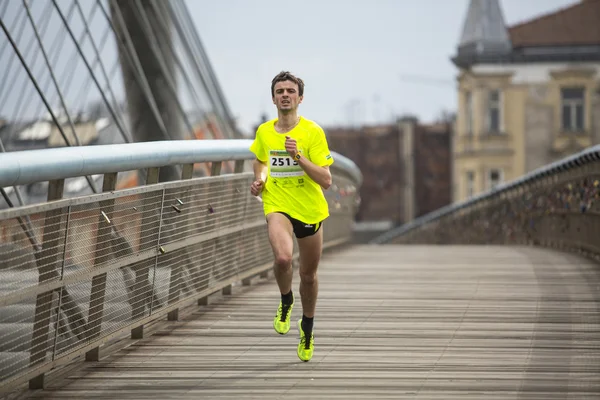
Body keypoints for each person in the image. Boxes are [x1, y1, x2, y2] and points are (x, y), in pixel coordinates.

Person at [249, 71, 334, 362]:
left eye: (290, 90)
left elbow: (326, 180)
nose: (285, 94)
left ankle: (307, 326)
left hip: (309, 209)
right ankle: (286, 300)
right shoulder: (264, 132)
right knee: (283, 259)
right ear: (273, 98)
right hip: (277, 204)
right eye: (280, 90)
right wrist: (260, 179)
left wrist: (298, 157)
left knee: (308, 276)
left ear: (300, 97)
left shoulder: (313, 132)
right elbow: (260, 160)